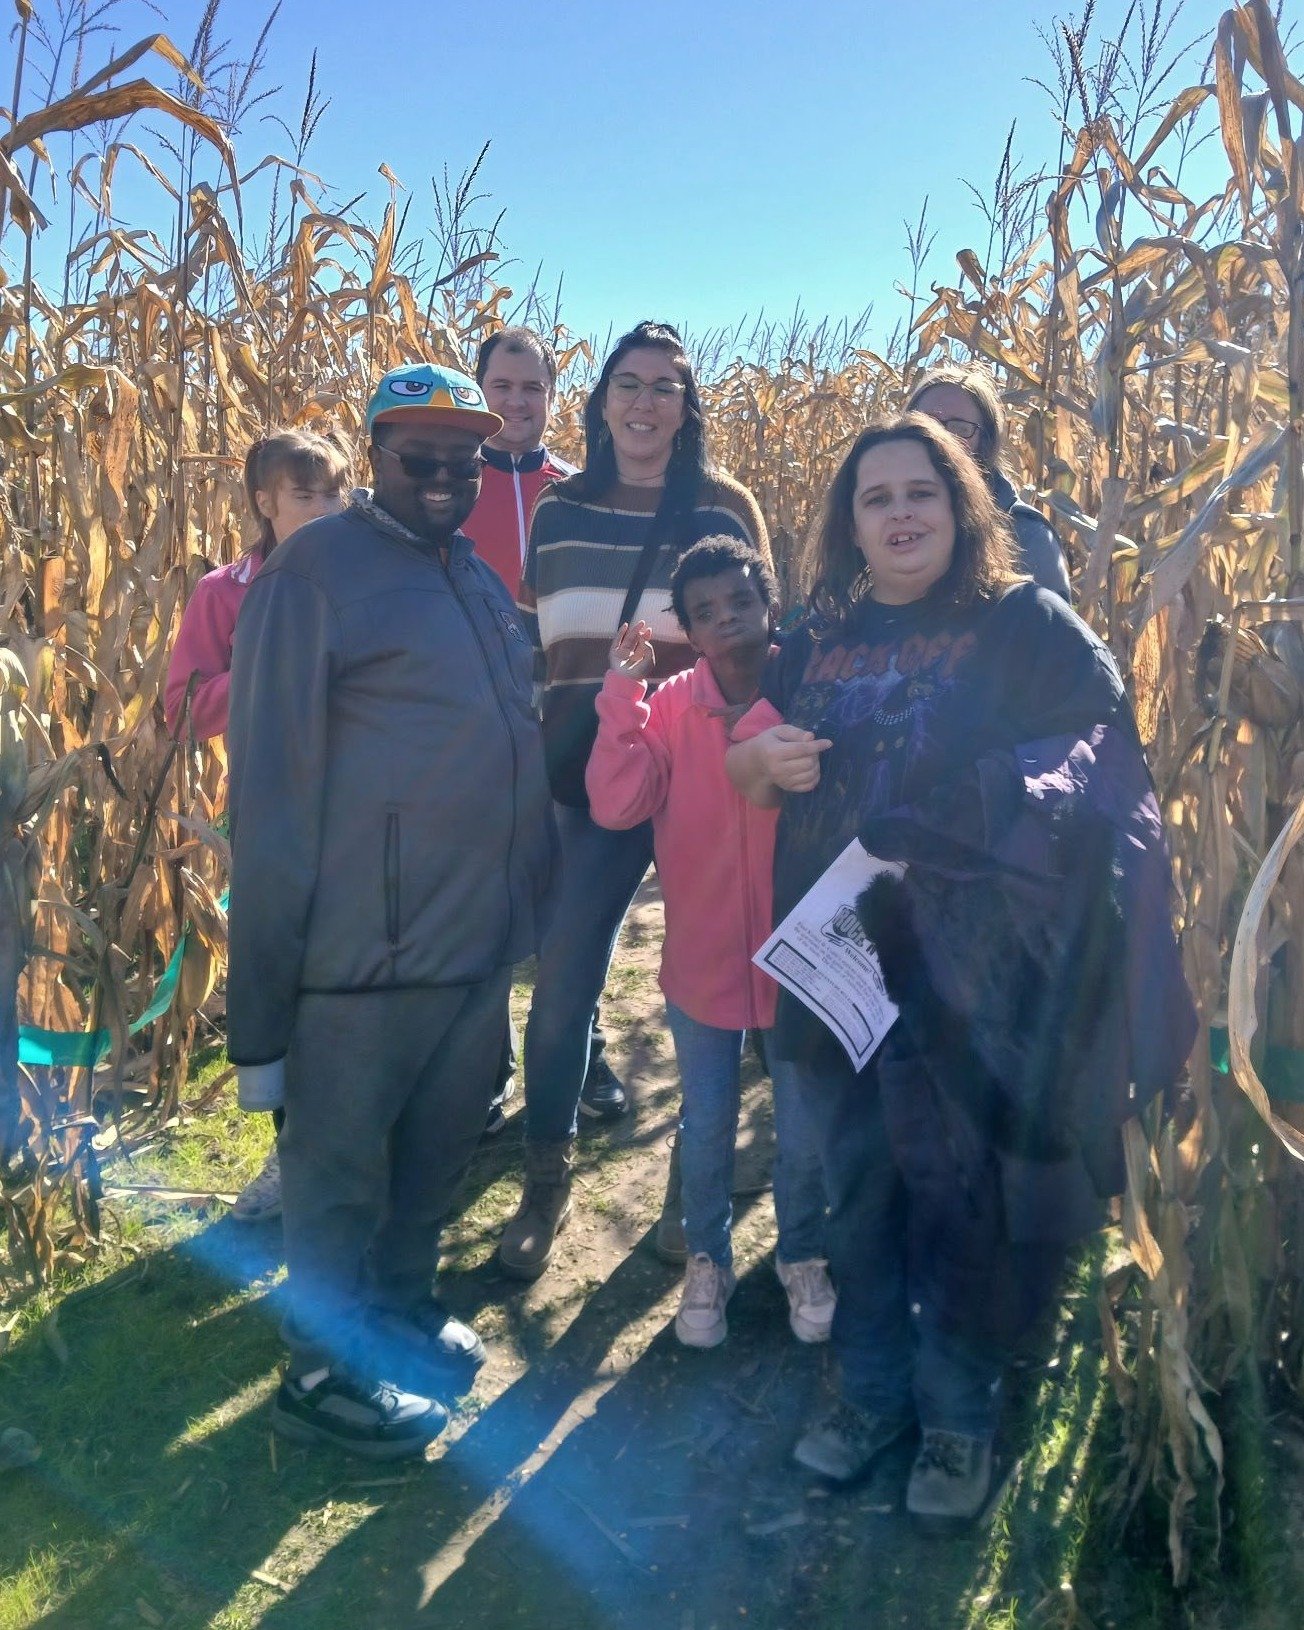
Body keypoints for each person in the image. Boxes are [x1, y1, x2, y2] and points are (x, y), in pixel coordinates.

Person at [726, 415, 1194, 1525]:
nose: (898, 514)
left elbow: (1103, 759)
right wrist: (751, 762)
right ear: (848, 522)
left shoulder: (1023, 622)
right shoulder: (816, 639)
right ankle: (870, 1393)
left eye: (920, 493)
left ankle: (956, 1418)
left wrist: (980, 799)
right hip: (836, 970)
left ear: (961, 505)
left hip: (970, 981)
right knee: (857, 1193)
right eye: (874, 497)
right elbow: (751, 765)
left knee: (962, 1200)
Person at [226, 363, 555, 1459]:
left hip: (471, 949)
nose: (446, 475)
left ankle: (398, 1310)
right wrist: (262, 1018)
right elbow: (269, 790)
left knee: (433, 1156)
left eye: (463, 456)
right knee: (338, 1177)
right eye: (420, 455)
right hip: (361, 959)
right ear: (373, 456)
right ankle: (319, 1372)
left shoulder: (468, 574)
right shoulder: (315, 571)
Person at [499, 320, 772, 1282]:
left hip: (708, 778)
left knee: (722, 987)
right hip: (594, 772)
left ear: (688, 407)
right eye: (629, 383)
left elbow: (754, 631)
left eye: (665, 385)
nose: (645, 401)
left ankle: (685, 1197)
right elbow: (540, 649)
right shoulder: (563, 513)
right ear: (603, 398)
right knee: (566, 976)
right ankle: (545, 1179)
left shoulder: (724, 506)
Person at [586, 537, 833, 1348]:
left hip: (800, 964)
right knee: (708, 1119)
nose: (726, 624)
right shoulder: (667, 713)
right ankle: (708, 1259)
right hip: (702, 959)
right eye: (706, 613)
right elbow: (617, 803)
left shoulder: (810, 694)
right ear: (687, 627)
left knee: (801, 1127)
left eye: (740, 604)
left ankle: (803, 1254)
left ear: (769, 604)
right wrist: (621, 694)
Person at [165, 428, 350, 1223]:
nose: (322, 509)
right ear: (263, 501)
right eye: (304, 494)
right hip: (273, 818)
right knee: (284, 990)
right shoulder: (223, 593)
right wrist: (264, 668)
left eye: (334, 493)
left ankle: (360, 1148)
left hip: (362, 813)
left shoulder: (366, 580)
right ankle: (292, 1158)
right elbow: (180, 707)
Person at [471, 326, 624, 1128]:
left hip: (567, 726)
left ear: (552, 397)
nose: (517, 402)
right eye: (503, 386)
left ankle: (587, 1054)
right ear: (481, 390)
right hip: (481, 728)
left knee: (575, 905)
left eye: (532, 388)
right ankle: (492, 1070)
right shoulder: (452, 485)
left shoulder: (577, 491)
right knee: (496, 903)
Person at [906, 363, 1072, 600]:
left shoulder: (1027, 535)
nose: (939, 437)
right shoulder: (879, 519)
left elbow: (1054, 633)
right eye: (925, 424)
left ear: (985, 442)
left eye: (960, 429)